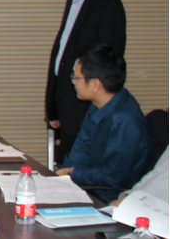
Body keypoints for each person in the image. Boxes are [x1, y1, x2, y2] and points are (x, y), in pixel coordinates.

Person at [46, 0, 126, 164]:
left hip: (87, 112)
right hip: (66, 106)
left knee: (81, 173)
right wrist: (53, 107)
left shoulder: (108, 5)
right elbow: (62, 55)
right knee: (65, 170)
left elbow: (107, 66)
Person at [55, 44, 153, 203]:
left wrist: (72, 173)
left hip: (107, 197)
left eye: (76, 77)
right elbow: (82, 146)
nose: (73, 82)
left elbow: (113, 178)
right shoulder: (99, 105)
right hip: (86, 186)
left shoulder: (126, 122)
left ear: (95, 84)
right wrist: (62, 175)